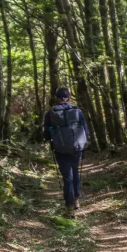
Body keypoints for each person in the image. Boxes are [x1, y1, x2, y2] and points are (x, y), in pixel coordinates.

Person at [43, 87, 88, 215]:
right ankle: (76, 199)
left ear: (56, 98)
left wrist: (52, 138)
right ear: (68, 98)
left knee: (67, 177)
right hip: (76, 147)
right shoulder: (77, 111)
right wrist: (84, 144)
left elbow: (46, 134)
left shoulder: (51, 113)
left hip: (60, 149)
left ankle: (69, 208)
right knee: (75, 172)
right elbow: (85, 129)